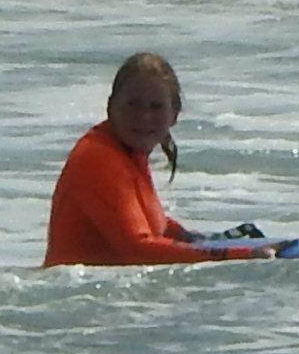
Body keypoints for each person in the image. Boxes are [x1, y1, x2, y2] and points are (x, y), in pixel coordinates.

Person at [45, 53, 273, 266]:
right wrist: (241, 255)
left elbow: (149, 228)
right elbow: (138, 249)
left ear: (174, 115)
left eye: (156, 107)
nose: (144, 117)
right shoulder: (98, 158)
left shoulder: (126, 154)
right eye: (133, 105)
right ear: (110, 107)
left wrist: (193, 238)